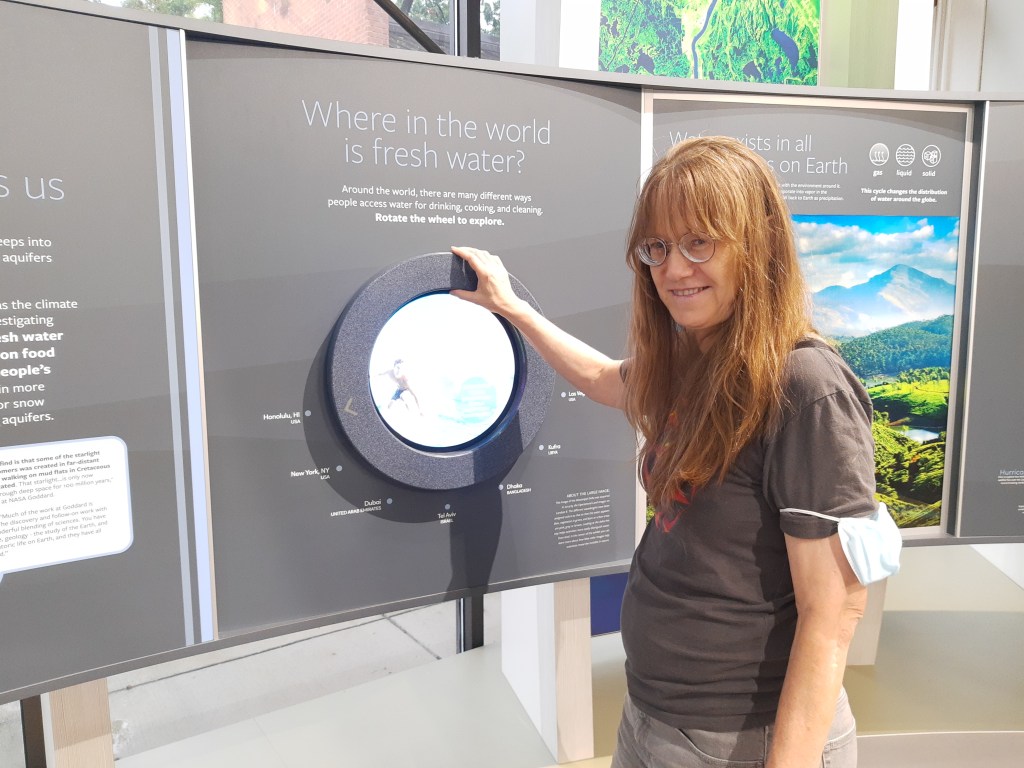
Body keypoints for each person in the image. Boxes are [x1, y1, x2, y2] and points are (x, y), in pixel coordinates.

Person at [451, 135, 900, 768]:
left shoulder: (805, 386)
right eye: (657, 247)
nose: (673, 268)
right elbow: (606, 378)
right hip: (655, 717)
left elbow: (835, 610)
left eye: (699, 242)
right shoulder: (698, 355)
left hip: (741, 741)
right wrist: (513, 309)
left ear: (758, 244)